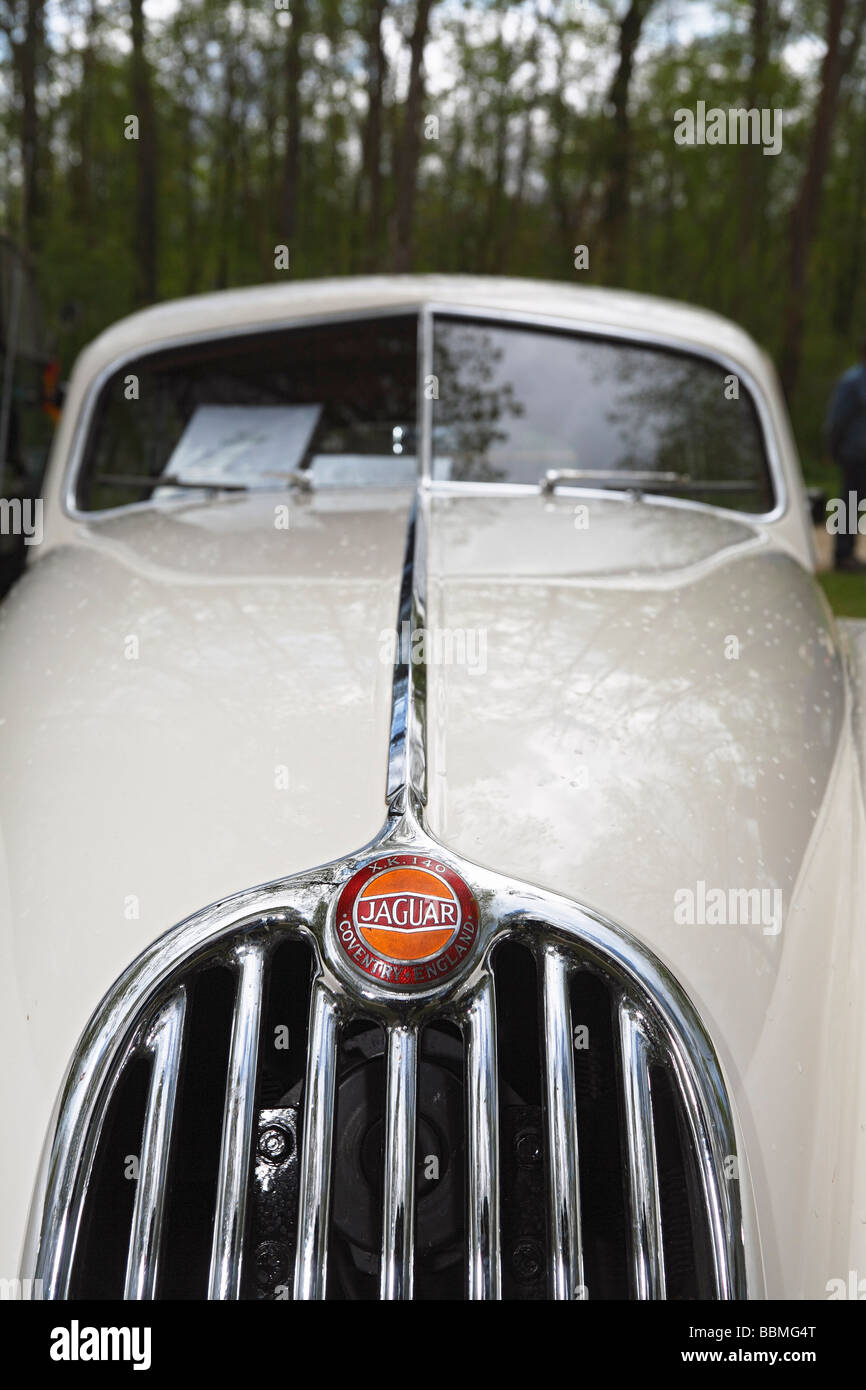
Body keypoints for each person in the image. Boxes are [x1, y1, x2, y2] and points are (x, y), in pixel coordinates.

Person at [825, 339, 866, 571]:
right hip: (856, 454)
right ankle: (843, 555)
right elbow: (837, 420)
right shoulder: (852, 382)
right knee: (851, 504)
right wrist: (833, 448)